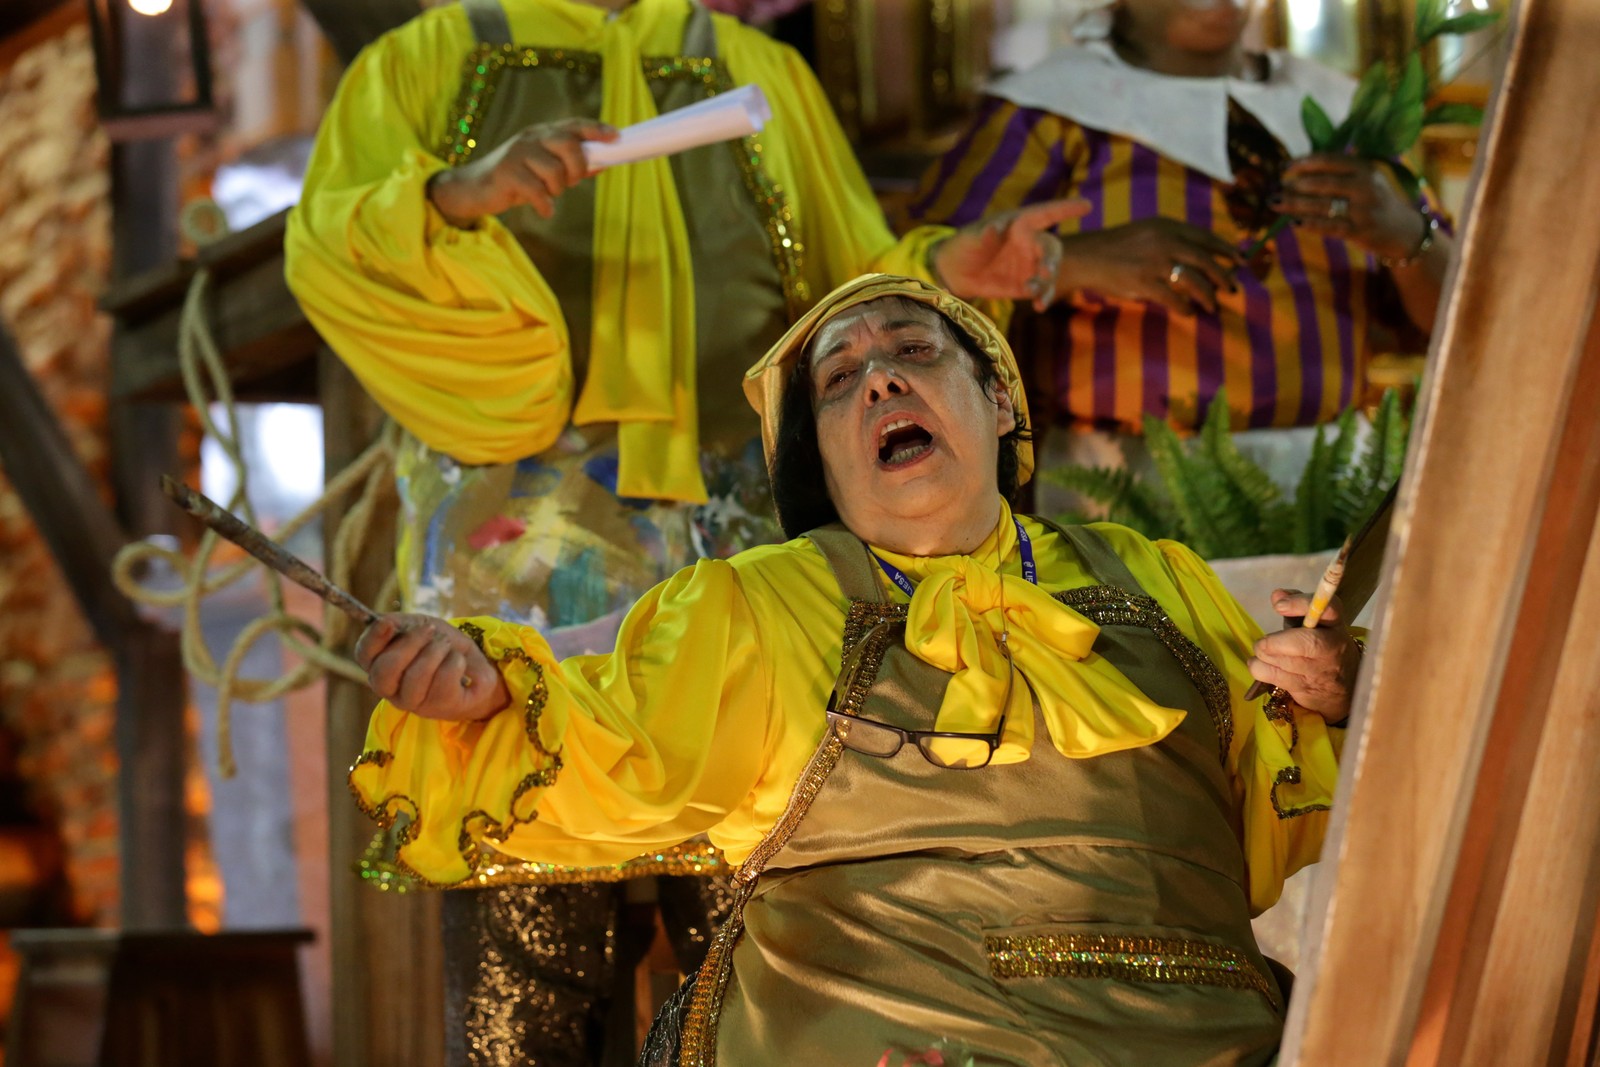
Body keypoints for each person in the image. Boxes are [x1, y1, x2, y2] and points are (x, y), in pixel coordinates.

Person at [284, 0, 1076, 1060]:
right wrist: (455, 195)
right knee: (531, 924)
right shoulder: (429, 59)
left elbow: (846, 287)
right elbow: (329, 242)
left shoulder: (755, 71)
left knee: (759, 930)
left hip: (741, 554)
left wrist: (947, 273)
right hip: (519, 553)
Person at [349, 274, 1358, 1065]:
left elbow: (1288, 795)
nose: (881, 380)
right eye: (840, 381)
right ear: (822, 455)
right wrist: (488, 692)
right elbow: (616, 744)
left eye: (914, 353)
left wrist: (1339, 693)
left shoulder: (1156, 575)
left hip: (1200, 1037)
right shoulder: (757, 604)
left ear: (997, 397)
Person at [900, 0, 1455, 492]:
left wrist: (1406, 235)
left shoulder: (1345, 113)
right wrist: (1076, 262)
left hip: (1332, 485)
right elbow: (913, 290)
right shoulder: (1045, 114)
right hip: (1119, 489)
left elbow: (1464, 321)